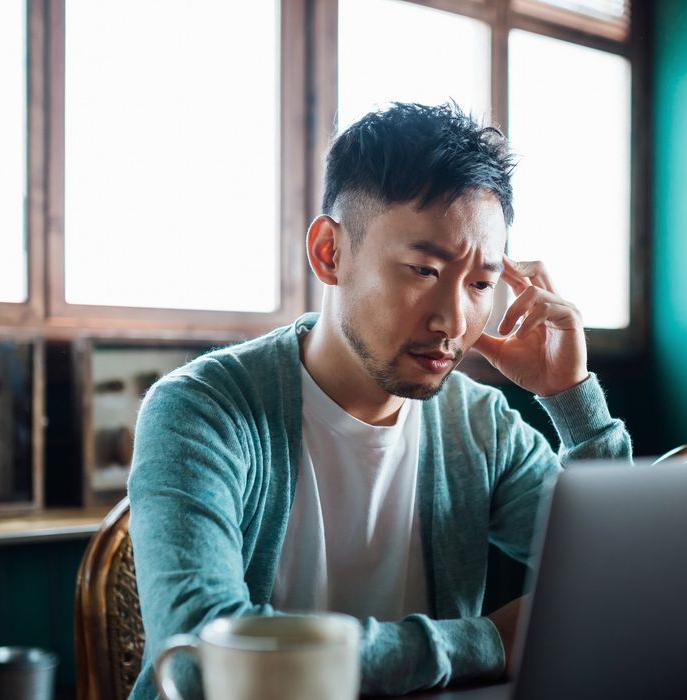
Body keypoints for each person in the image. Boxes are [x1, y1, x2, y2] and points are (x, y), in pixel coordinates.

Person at [127, 102, 632, 699]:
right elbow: (201, 660)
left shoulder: (479, 426)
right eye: (422, 270)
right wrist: (487, 642)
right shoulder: (200, 412)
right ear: (329, 253)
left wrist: (571, 399)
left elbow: (619, 585)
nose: (452, 320)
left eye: (480, 284)